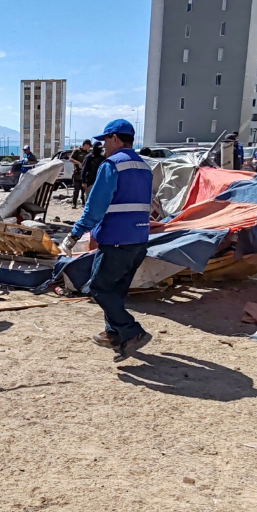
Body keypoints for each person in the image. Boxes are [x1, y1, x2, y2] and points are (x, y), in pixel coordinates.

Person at [60, 119, 154, 362]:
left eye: (105, 141)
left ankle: (133, 332)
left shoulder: (112, 165)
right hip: (139, 239)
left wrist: (74, 234)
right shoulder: (144, 167)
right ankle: (114, 335)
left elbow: (95, 207)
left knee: (100, 289)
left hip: (116, 239)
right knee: (116, 290)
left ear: (114, 138)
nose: (103, 146)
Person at [79, 141, 105, 206]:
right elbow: (84, 170)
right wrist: (84, 181)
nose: (100, 150)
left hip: (100, 182)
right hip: (90, 182)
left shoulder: (102, 158)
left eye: (101, 148)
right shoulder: (89, 157)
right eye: (99, 148)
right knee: (89, 200)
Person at [68, 140, 93, 208]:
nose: (89, 147)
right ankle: (74, 203)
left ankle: (83, 203)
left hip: (84, 175)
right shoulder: (77, 151)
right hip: (77, 173)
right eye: (88, 146)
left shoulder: (88, 153)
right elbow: (70, 159)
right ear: (85, 144)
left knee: (84, 190)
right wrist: (78, 163)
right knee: (76, 190)